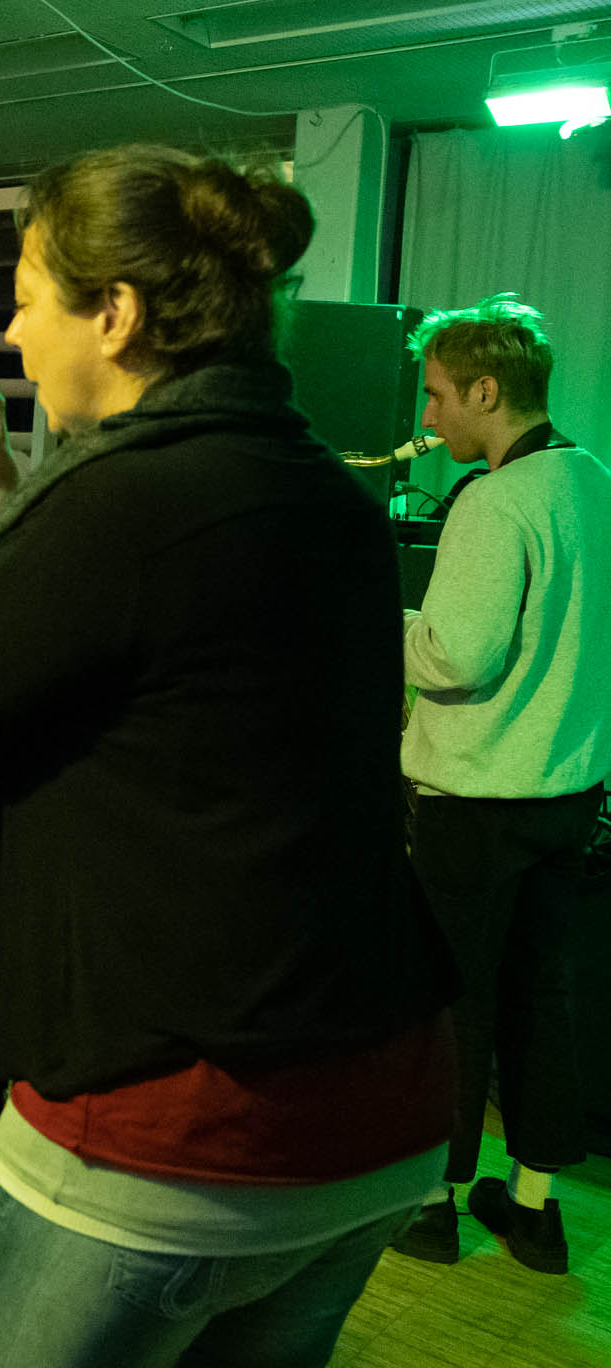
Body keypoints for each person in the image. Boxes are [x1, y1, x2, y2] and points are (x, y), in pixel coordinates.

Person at [0, 145, 456, 1368]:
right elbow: (137, 638)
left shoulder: (120, 505)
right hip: (377, 1108)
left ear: (114, 312)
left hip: (181, 1126)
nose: (9, 334)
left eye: (24, 300)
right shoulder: (319, 489)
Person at [388, 295, 611, 1276]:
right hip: (567, 797)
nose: (427, 416)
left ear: (486, 392)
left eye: (437, 395)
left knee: (451, 1005)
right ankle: (533, 1212)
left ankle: (431, 1208)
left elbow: (453, 658)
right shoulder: (593, 481)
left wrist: (379, 618)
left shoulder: (492, 501)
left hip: (475, 802)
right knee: (538, 995)